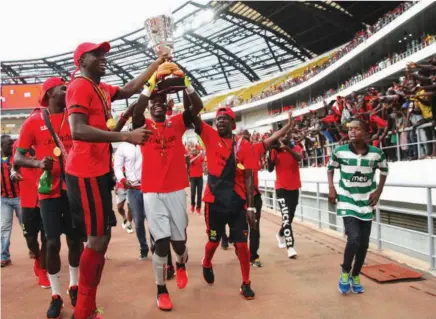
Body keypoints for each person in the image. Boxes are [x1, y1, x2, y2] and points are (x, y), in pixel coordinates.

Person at [65, 41, 159, 319]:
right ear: (82, 61)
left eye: (105, 54)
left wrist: (157, 62)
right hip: (85, 171)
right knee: (96, 240)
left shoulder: (100, 88)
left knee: (102, 238)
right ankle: (82, 309)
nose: (104, 57)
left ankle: (87, 304)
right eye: (98, 54)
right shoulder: (79, 86)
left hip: (97, 170)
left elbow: (129, 88)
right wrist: (125, 136)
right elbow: (78, 130)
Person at [132, 70, 204, 311]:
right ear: (149, 108)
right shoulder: (143, 127)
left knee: (179, 244)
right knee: (161, 243)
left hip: (175, 190)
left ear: (167, 106)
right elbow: (136, 109)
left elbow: (197, 106)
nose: (157, 106)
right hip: (151, 192)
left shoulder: (177, 123)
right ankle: (161, 289)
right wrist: (150, 84)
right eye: (153, 104)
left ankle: (182, 263)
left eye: (161, 102)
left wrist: (186, 84)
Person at [14, 77, 84, 319]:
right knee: (52, 243)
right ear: (50, 93)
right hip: (48, 194)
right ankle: (56, 295)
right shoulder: (33, 122)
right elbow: (18, 158)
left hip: (73, 190)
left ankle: (74, 286)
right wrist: (36, 162)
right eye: (63, 88)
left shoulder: (75, 118)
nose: (68, 90)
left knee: (76, 243)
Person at [192, 107, 257, 300]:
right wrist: (187, 89)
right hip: (214, 203)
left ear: (233, 123)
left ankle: (246, 283)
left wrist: (251, 207)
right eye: (217, 119)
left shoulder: (243, 146)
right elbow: (193, 117)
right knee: (213, 241)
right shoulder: (210, 136)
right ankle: (206, 262)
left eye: (224, 118)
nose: (220, 121)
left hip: (237, 203)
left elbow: (248, 178)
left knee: (242, 245)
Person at [327, 119, 388, 294]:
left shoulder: (376, 154)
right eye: (350, 129)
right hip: (347, 200)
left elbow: (384, 171)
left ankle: (356, 274)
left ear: (366, 132)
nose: (352, 132)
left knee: (363, 244)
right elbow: (330, 168)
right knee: (353, 239)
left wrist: (378, 191)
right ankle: (345, 271)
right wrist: (332, 187)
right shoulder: (339, 152)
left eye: (356, 129)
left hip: (366, 202)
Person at [239, 112, 295, 267]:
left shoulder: (256, 149)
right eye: (242, 136)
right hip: (238, 196)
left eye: (247, 136)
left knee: (254, 227)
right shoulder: (233, 152)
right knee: (241, 230)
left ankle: (253, 256)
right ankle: (240, 251)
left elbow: (274, 137)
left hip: (254, 196)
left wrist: (288, 126)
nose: (245, 138)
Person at [11, 137, 50, 288]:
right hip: (27, 199)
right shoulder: (19, 145)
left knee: (48, 236)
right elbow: (14, 166)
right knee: (30, 239)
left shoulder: (48, 141)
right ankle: (38, 259)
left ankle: (43, 269)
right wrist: (13, 173)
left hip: (47, 197)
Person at [267, 129, 303, 259]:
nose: (285, 137)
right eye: (282, 136)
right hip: (281, 187)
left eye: (287, 135)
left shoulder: (296, 148)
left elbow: (299, 158)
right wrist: (270, 156)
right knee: (286, 217)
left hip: (294, 187)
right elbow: (270, 169)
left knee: (290, 217)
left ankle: (280, 234)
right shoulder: (274, 151)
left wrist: (287, 148)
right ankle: (290, 247)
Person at [1, 135, 21, 268]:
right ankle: (4, 256)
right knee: (4, 228)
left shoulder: (16, 158)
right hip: (4, 199)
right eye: (9, 144)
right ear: (2, 146)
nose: (12, 146)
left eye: (12, 143)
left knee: (27, 226)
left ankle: (33, 248)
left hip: (20, 197)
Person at [189, 147, 204, 214]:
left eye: (195, 150)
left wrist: (202, 153)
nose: (194, 151)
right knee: (192, 193)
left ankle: (198, 208)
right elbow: (190, 162)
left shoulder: (200, 157)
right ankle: (192, 205)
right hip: (193, 178)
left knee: (199, 193)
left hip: (200, 177)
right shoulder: (190, 157)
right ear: (191, 152)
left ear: (197, 151)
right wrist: (198, 155)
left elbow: (205, 159)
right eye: (193, 150)